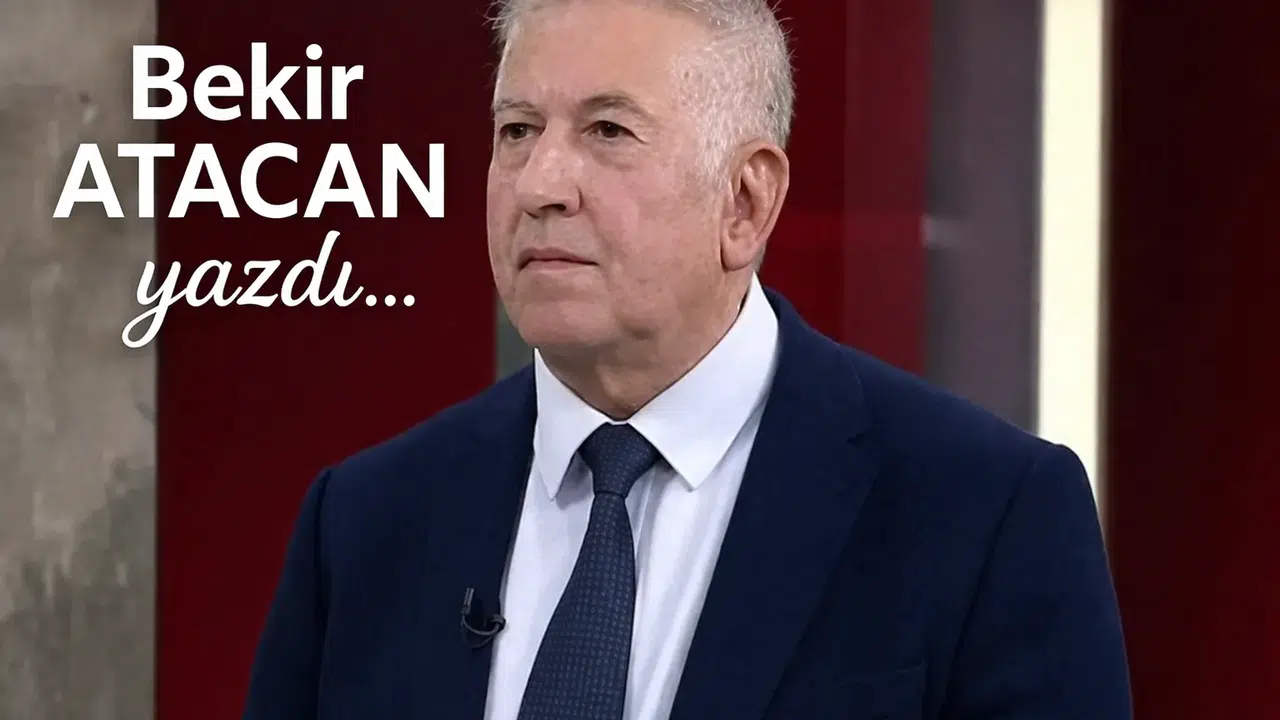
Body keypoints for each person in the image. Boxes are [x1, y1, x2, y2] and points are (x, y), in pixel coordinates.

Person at [242, 0, 1133, 718]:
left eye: (607, 131)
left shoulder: (986, 515)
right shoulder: (364, 523)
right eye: (516, 130)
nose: (539, 184)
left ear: (745, 201)